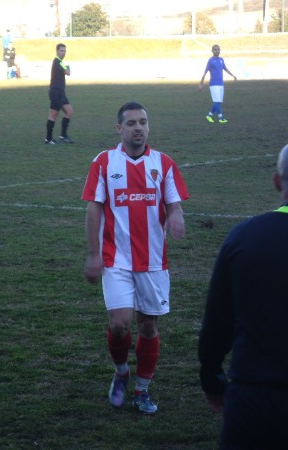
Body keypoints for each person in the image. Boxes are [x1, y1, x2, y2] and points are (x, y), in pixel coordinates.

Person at [198, 138, 288, 449]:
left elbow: (217, 323)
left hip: (251, 401)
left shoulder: (243, 237)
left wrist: (212, 378)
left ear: (277, 182)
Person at [82, 101, 189, 413]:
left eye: (143, 122)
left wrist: (176, 215)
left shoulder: (164, 163)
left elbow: (174, 204)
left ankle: (142, 389)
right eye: (131, 123)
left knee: (148, 327)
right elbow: (93, 208)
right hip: (115, 259)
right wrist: (93, 254)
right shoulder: (103, 162)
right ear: (120, 129)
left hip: (153, 260)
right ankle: (121, 373)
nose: (138, 128)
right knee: (119, 325)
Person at [198, 44, 237, 124]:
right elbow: (205, 72)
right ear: (212, 51)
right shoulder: (210, 61)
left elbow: (225, 69)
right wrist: (201, 83)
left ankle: (209, 115)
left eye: (218, 49)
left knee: (218, 102)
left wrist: (233, 75)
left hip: (221, 83)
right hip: (214, 84)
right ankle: (220, 118)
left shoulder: (221, 60)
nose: (217, 51)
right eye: (215, 49)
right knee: (216, 101)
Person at [45, 43, 73, 145]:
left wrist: (67, 67)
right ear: (57, 51)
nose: (63, 53)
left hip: (61, 92)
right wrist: (68, 67)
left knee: (69, 111)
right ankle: (48, 139)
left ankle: (63, 135)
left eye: (64, 51)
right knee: (53, 115)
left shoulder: (60, 62)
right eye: (61, 51)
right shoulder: (57, 61)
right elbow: (68, 72)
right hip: (56, 92)